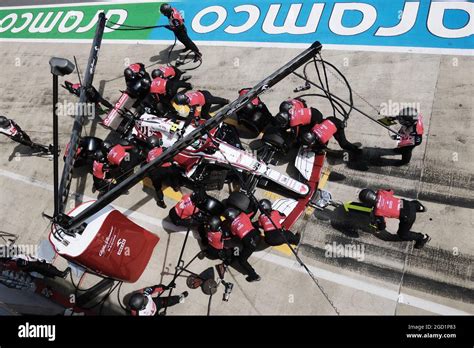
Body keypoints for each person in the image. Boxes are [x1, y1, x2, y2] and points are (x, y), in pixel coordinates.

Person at [358, 188, 430, 249]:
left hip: (408, 216)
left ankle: (423, 237)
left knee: (403, 235)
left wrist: (377, 228)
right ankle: (421, 208)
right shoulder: (381, 192)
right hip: (409, 204)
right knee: (411, 204)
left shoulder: (377, 212)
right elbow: (391, 190)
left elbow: (382, 226)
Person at [275, 105, 360, 152]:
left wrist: (312, 148)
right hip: (329, 119)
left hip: (337, 124)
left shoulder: (323, 139)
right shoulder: (314, 129)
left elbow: (322, 147)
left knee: (343, 144)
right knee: (304, 130)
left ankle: (356, 150)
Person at [144, 135, 183, 208]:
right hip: (167, 169)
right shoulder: (162, 149)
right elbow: (170, 155)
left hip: (156, 173)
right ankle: (175, 187)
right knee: (174, 172)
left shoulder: (149, 153)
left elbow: (148, 162)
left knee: (158, 188)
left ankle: (162, 203)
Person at [224, 208, 261, 282]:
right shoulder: (243, 215)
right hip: (257, 236)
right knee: (251, 224)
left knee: (241, 260)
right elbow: (252, 211)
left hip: (251, 244)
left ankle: (254, 275)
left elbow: (233, 235)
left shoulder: (232, 226)